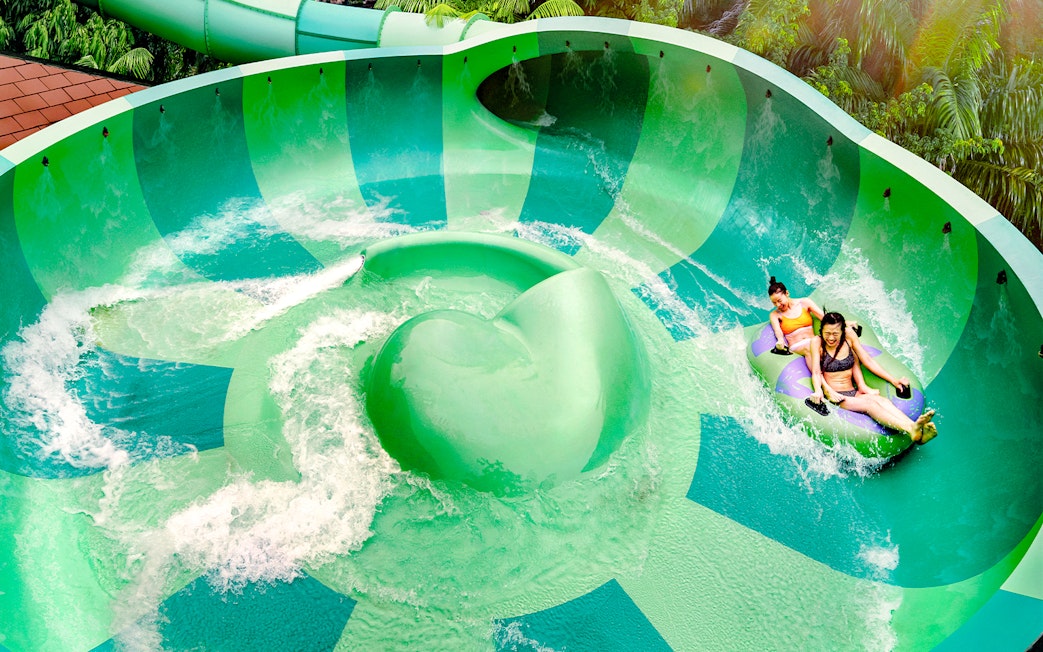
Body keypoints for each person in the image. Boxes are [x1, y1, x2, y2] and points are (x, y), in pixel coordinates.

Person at [809, 312, 937, 444]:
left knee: (882, 401)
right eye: (827, 333)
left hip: (853, 392)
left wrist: (893, 380)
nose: (830, 338)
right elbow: (816, 371)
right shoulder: (816, 342)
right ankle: (911, 429)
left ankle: (916, 429)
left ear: (842, 331)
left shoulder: (849, 336)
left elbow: (868, 360)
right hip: (836, 396)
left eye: (835, 334)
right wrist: (819, 391)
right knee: (870, 405)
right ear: (821, 331)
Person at [767, 277, 824, 357]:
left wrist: (841, 324)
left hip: (813, 341)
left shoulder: (805, 302)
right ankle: (817, 369)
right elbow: (778, 331)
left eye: (779, 301)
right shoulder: (775, 315)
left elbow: (824, 317)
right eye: (774, 303)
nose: (778, 305)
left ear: (787, 293)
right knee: (810, 348)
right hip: (797, 346)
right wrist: (780, 341)